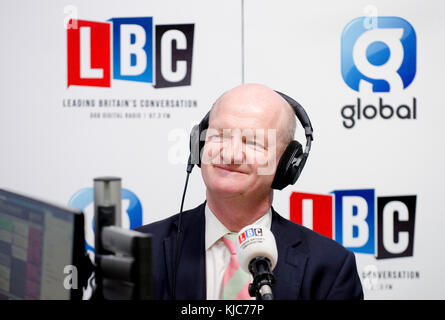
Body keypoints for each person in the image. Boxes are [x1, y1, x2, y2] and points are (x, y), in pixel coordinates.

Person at [135, 83, 364, 300]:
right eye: (219, 136)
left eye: (253, 143)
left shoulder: (330, 266)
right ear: (198, 146)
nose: (231, 154)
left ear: (286, 163)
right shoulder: (137, 252)